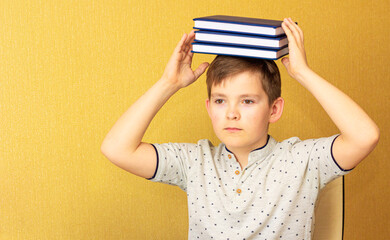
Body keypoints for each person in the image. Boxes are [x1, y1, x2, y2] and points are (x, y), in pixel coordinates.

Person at [101, 18, 379, 239]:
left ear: (274, 110)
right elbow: (117, 149)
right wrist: (168, 84)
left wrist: (304, 74)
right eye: (221, 101)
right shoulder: (194, 161)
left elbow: (364, 137)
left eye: (247, 101)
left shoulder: (301, 160)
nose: (232, 113)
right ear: (209, 108)